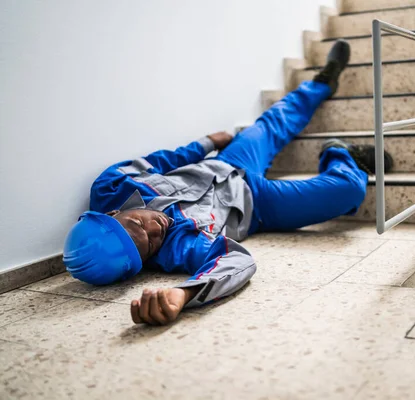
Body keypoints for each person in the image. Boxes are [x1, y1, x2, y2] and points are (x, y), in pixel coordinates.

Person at [63, 40, 393, 326]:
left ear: (114, 211)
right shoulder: (178, 248)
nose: (154, 230)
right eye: (147, 246)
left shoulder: (110, 185)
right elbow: (238, 260)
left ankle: (321, 83)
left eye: (138, 223)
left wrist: (207, 142)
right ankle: (339, 151)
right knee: (349, 189)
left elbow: (161, 161)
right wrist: (183, 294)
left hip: (227, 162)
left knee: (270, 123)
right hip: (259, 205)